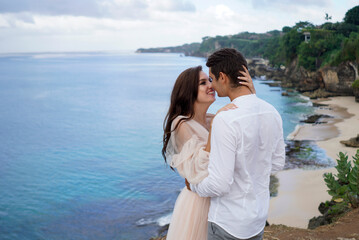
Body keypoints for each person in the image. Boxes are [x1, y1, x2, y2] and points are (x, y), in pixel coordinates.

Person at [187, 48, 286, 240]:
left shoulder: (225, 119)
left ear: (222, 77)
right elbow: (277, 164)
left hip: (228, 223)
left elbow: (219, 185)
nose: (212, 85)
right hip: (256, 220)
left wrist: (193, 185)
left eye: (212, 79)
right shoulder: (271, 111)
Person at [162, 64, 255, 240]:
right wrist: (214, 128)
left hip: (220, 200)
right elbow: (199, 169)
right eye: (203, 83)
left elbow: (249, 121)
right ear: (189, 90)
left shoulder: (213, 118)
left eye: (210, 80)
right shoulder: (181, 124)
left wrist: (250, 94)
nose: (211, 86)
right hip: (198, 203)